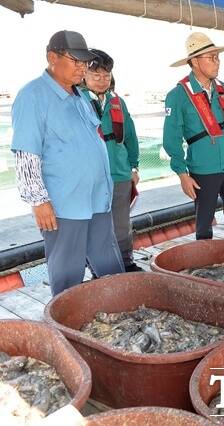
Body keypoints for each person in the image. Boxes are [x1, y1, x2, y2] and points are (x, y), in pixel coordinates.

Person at [11, 30, 124, 296]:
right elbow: (27, 155)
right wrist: (38, 201)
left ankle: (119, 321)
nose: (82, 67)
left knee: (111, 268)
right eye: (76, 60)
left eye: (84, 61)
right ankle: (66, 330)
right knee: (67, 277)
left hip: (98, 200)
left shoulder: (80, 96)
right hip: (65, 206)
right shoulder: (32, 96)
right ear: (52, 57)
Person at [163, 32, 224, 241]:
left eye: (217, 57)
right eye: (211, 57)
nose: (217, 62)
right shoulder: (177, 95)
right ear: (194, 62)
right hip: (203, 170)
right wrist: (182, 174)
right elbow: (171, 139)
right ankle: (203, 271)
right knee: (203, 227)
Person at [81, 49, 142, 272]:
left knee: (122, 224)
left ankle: (126, 262)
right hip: (91, 178)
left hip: (120, 174)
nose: (102, 79)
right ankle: (96, 269)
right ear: (84, 74)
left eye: (106, 74)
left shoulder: (118, 102)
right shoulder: (75, 100)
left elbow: (131, 137)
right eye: (96, 74)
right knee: (93, 225)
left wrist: (134, 166)